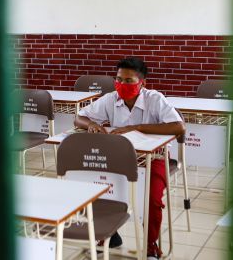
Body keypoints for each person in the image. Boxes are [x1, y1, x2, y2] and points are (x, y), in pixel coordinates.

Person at [74, 57, 185, 260]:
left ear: (143, 83)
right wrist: (91, 125)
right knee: (98, 189)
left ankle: (152, 247)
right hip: (118, 160)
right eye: (118, 79)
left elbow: (179, 127)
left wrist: (137, 127)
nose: (122, 85)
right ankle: (108, 235)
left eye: (128, 81)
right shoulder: (111, 98)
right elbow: (79, 117)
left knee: (150, 200)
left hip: (154, 159)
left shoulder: (155, 99)